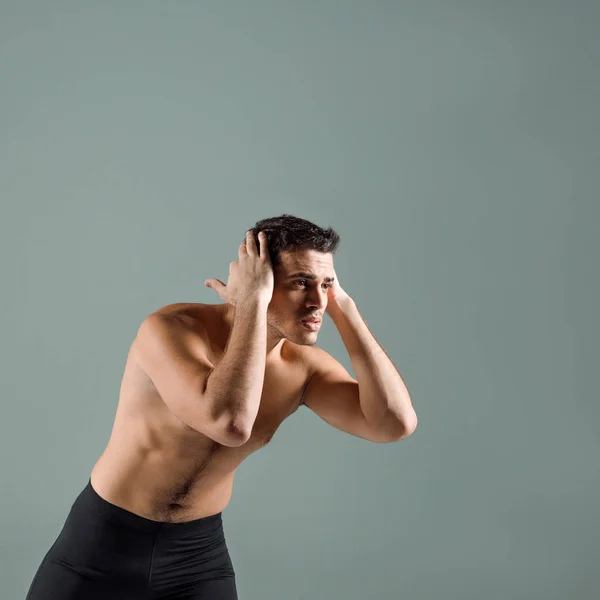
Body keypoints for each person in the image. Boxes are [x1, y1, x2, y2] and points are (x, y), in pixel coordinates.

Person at [25, 214, 417, 599]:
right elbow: (228, 422)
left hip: (197, 557)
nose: (317, 301)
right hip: (103, 544)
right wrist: (250, 306)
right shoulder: (172, 328)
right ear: (258, 281)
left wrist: (345, 308)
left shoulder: (304, 368)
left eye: (326, 284)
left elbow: (393, 424)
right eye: (301, 283)